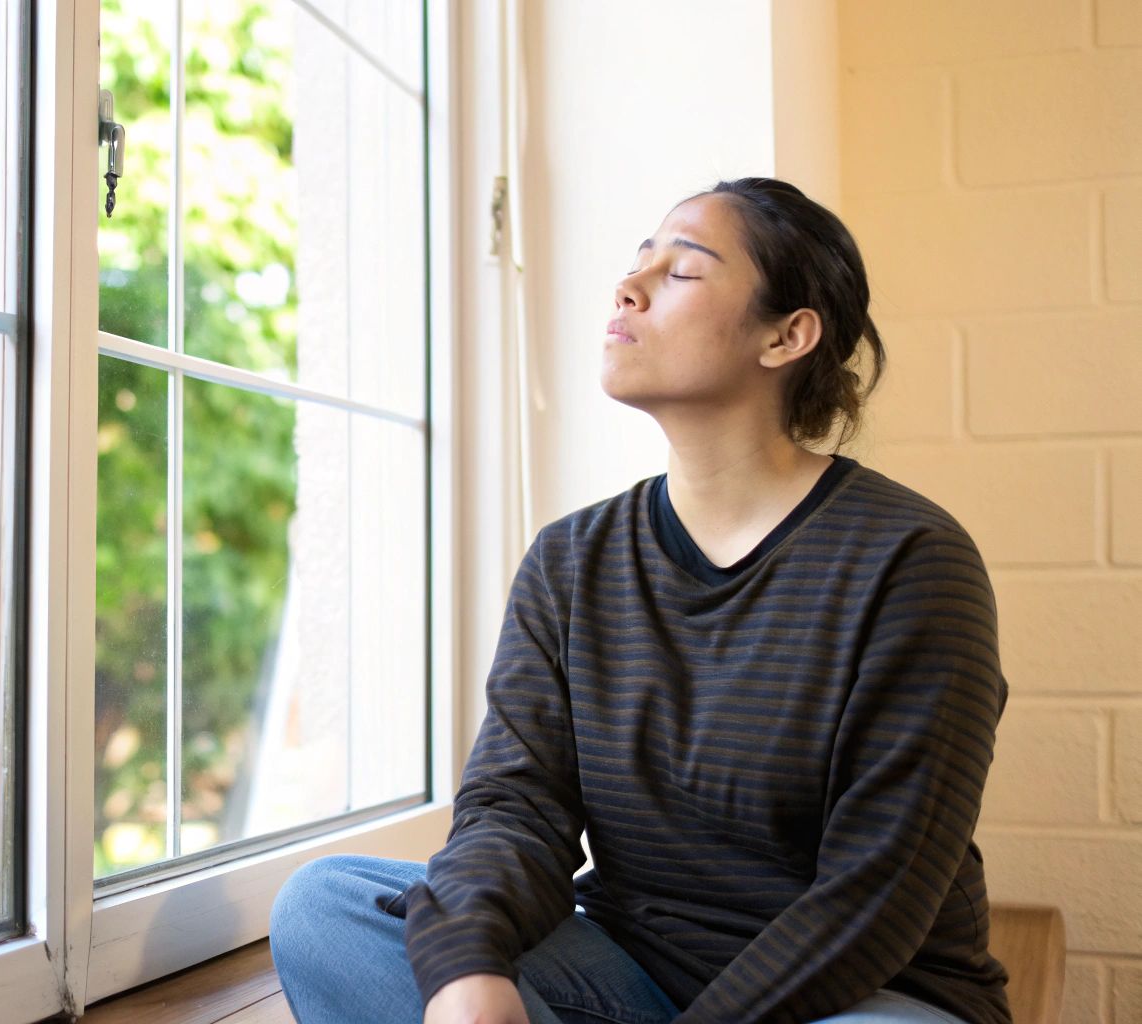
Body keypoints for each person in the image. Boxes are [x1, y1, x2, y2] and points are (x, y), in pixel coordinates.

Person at [267, 177, 1013, 1024]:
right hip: (627, 974)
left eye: (684, 272)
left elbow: (877, 892)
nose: (630, 288)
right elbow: (516, 809)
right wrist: (466, 968)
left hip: (857, 996)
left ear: (787, 335)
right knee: (329, 905)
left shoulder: (911, 562)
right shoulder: (572, 561)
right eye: (637, 262)